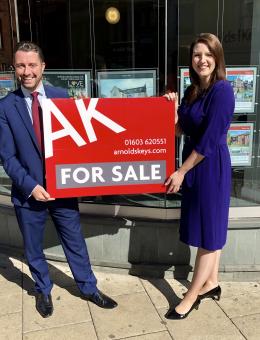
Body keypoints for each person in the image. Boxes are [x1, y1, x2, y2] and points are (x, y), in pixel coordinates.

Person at [0, 41, 117, 318]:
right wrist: (31, 186)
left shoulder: (62, 96)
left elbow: (83, 142)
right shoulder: (5, 107)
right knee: (33, 247)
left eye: (31, 65)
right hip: (29, 193)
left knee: (75, 241)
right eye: (20, 65)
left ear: (43, 67)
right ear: (14, 69)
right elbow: (7, 157)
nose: (26, 71)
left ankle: (89, 288)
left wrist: (82, 112)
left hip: (63, 189)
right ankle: (42, 289)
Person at [164, 33, 235, 320]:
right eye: (196, 55)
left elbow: (208, 141)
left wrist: (181, 171)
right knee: (210, 226)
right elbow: (178, 129)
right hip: (195, 163)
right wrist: (170, 106)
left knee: (208, 231)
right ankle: (212, 282)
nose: (201, 60)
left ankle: (191, 296)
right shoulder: (193, 90)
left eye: (207, 54)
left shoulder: (223, 91)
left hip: (210, 164)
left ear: (216, 58)